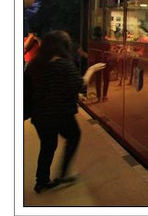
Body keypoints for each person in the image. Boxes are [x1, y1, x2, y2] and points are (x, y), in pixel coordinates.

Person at [24, 30, 105, 193]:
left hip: (40, 116)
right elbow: (80, 86)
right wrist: (92, 70)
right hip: (61, 114)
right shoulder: (63, 64)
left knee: (47, 145)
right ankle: (62, 174)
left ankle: (41, 182)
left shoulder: (35, 64)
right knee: (73, 137)